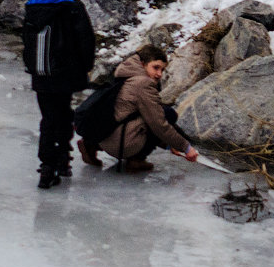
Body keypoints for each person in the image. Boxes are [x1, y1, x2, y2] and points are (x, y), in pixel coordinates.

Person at [23, 0, 96, 189]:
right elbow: (86, 40)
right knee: (63, 116)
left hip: (41, 74)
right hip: (63, 74)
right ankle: (61, 161)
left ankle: (47, 165)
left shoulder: (35, 4)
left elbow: (26, 40)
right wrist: (85, 67)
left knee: (49, 118)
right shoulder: (71, 6)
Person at [79, 44, 199, 172]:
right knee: (168, 115)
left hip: (102, 138)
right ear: (143, 64)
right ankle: (136, 160)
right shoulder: (143, 83)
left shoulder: (125, 74)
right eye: (155, 67)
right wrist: (185, 147)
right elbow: (159, 124)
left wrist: (170, 144)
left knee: (156, 112)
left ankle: (90, 145)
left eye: (162, 70)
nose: (159, 74)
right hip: (122, 146)